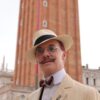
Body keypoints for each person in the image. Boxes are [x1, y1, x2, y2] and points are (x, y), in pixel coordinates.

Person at [27, 29, 100, 100]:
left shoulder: (88, 94)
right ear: (36, 59)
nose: (45, 54)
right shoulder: (30, 98)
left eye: (51, 48)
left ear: (64, 55)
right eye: (40, 51)